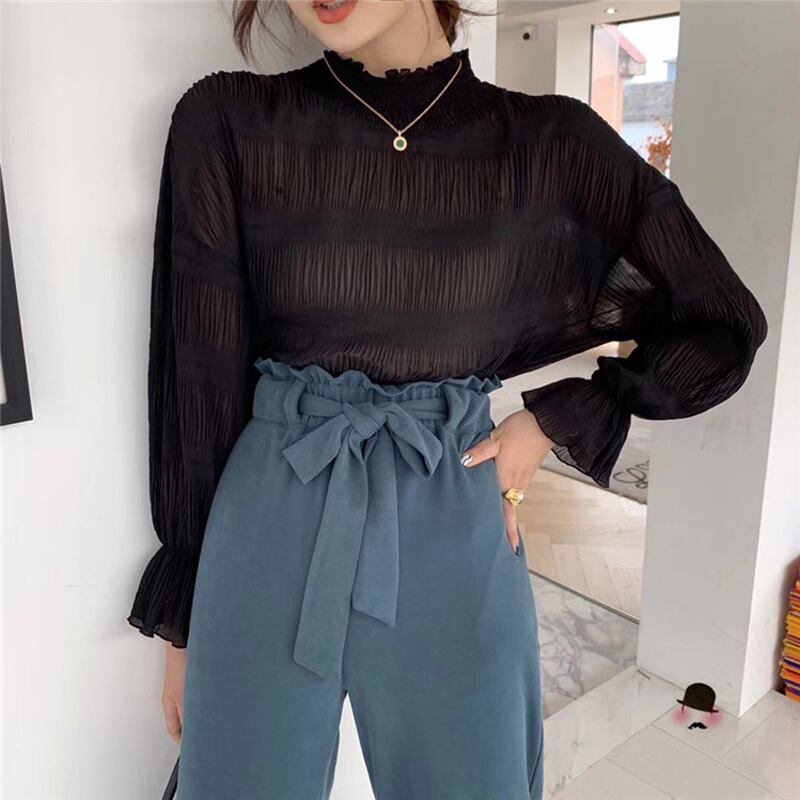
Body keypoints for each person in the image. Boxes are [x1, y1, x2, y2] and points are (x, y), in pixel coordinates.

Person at [127, 1, 769, 798]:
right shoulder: (227, 123)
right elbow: (198, 382)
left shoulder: (549, 145)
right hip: (269, 521)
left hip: (450, 509)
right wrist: (186, 623)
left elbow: (721, 322)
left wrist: (555, 419)